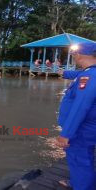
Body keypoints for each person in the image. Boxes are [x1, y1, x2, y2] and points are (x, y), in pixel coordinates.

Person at [56, 42, 96, 190]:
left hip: (82, 129)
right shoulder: (90, 73)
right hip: (90, 127)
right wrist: (65, 73)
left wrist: (66, 134)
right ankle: (79, 182)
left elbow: (80, 107)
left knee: (79, 160)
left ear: (79, 55)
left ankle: (83, 186)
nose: (74, 56)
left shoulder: (89, 77)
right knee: (85, 158)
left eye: (74, 54)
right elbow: (80, 74)